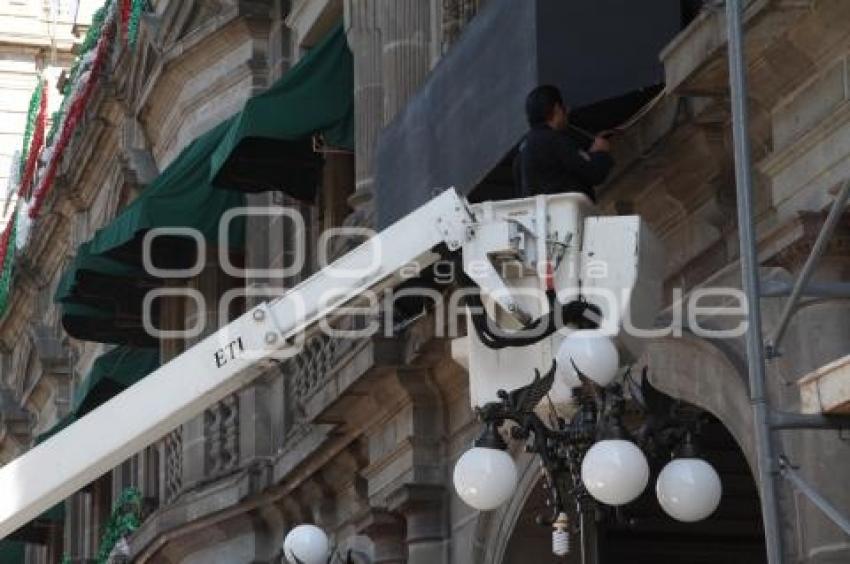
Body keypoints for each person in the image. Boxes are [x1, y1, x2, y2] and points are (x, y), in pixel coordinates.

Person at [513, 85, 613, 202]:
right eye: (564, 107)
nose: (567, 111)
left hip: (541, 218)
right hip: (568, 216)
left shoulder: (521, 152)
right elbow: (594, 173)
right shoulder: (555, 140)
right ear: (557, 108)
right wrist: (601, 153)